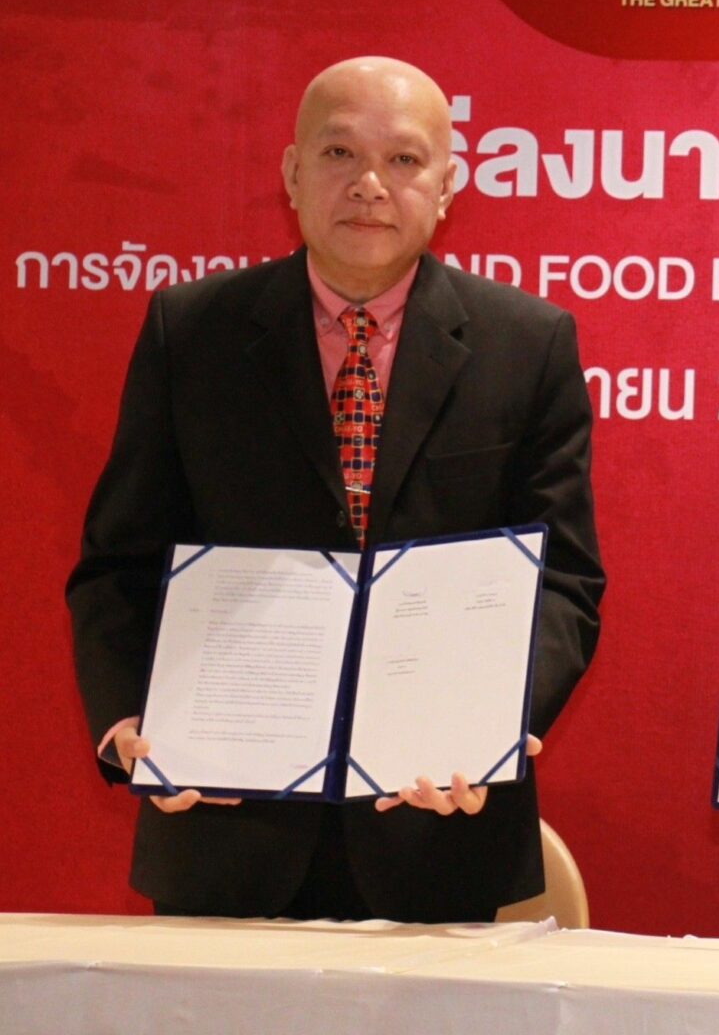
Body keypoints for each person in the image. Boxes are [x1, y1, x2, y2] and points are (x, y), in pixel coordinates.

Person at [68, 57, 605, 922]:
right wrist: (132, 718)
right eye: (339, 153)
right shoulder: (192, 332)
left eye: (404, 160)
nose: (369, 185)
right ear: (291, 173)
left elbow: (563, 581)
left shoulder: (528, 343)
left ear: (447, 186)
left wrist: (491, 726)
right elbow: (119, 562)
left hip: (438, 824)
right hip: (225, 817)